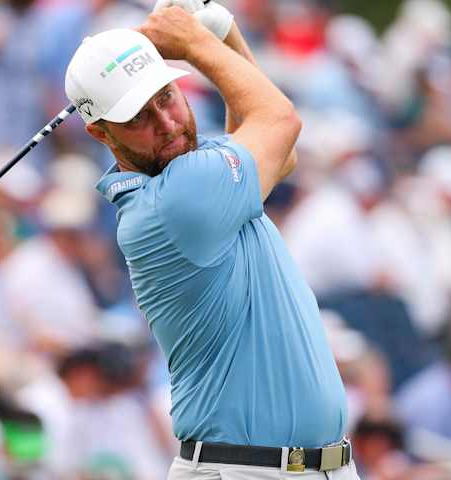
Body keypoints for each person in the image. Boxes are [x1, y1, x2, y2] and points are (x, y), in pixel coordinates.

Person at [64, 2, 356, 478]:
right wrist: (198, 43)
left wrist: (224, 35)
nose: (167, 123)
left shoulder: (188, 172)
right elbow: (279, 122)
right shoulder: (179, 198)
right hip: (244, 471)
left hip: (306, 468)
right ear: (100, 133)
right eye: (138, 117)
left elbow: (278, 155)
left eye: (166, 97)